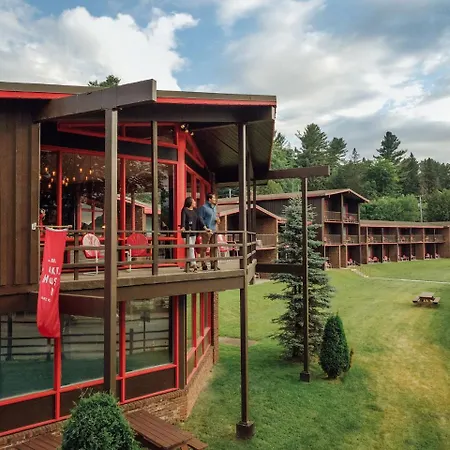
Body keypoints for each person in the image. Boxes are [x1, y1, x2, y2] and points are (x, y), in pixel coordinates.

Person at [180, 197, 209, 272]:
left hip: (194, 232)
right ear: (190, 202)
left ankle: (188, 265)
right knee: (191, 248)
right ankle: (194, 264)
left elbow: (200, 220)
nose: (195, 202)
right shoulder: (185, 210)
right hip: (186, 233)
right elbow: (183, 219)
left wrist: (205, 228)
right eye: (193, 201)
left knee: (190, 248)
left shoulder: (195, 210)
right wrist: (183, 227)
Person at [198, 193, 220, 270]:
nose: (215, 199)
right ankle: (203, 264)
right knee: (204, 247)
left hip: (214, 230)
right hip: (206, 231)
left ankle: (213, 264)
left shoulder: (214, 208)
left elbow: (216, 217)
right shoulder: (203, 208)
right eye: (213, 198)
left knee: (213, 247)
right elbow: (200, 219)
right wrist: (205, 228)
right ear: (209, 199)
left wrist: (218, 220)